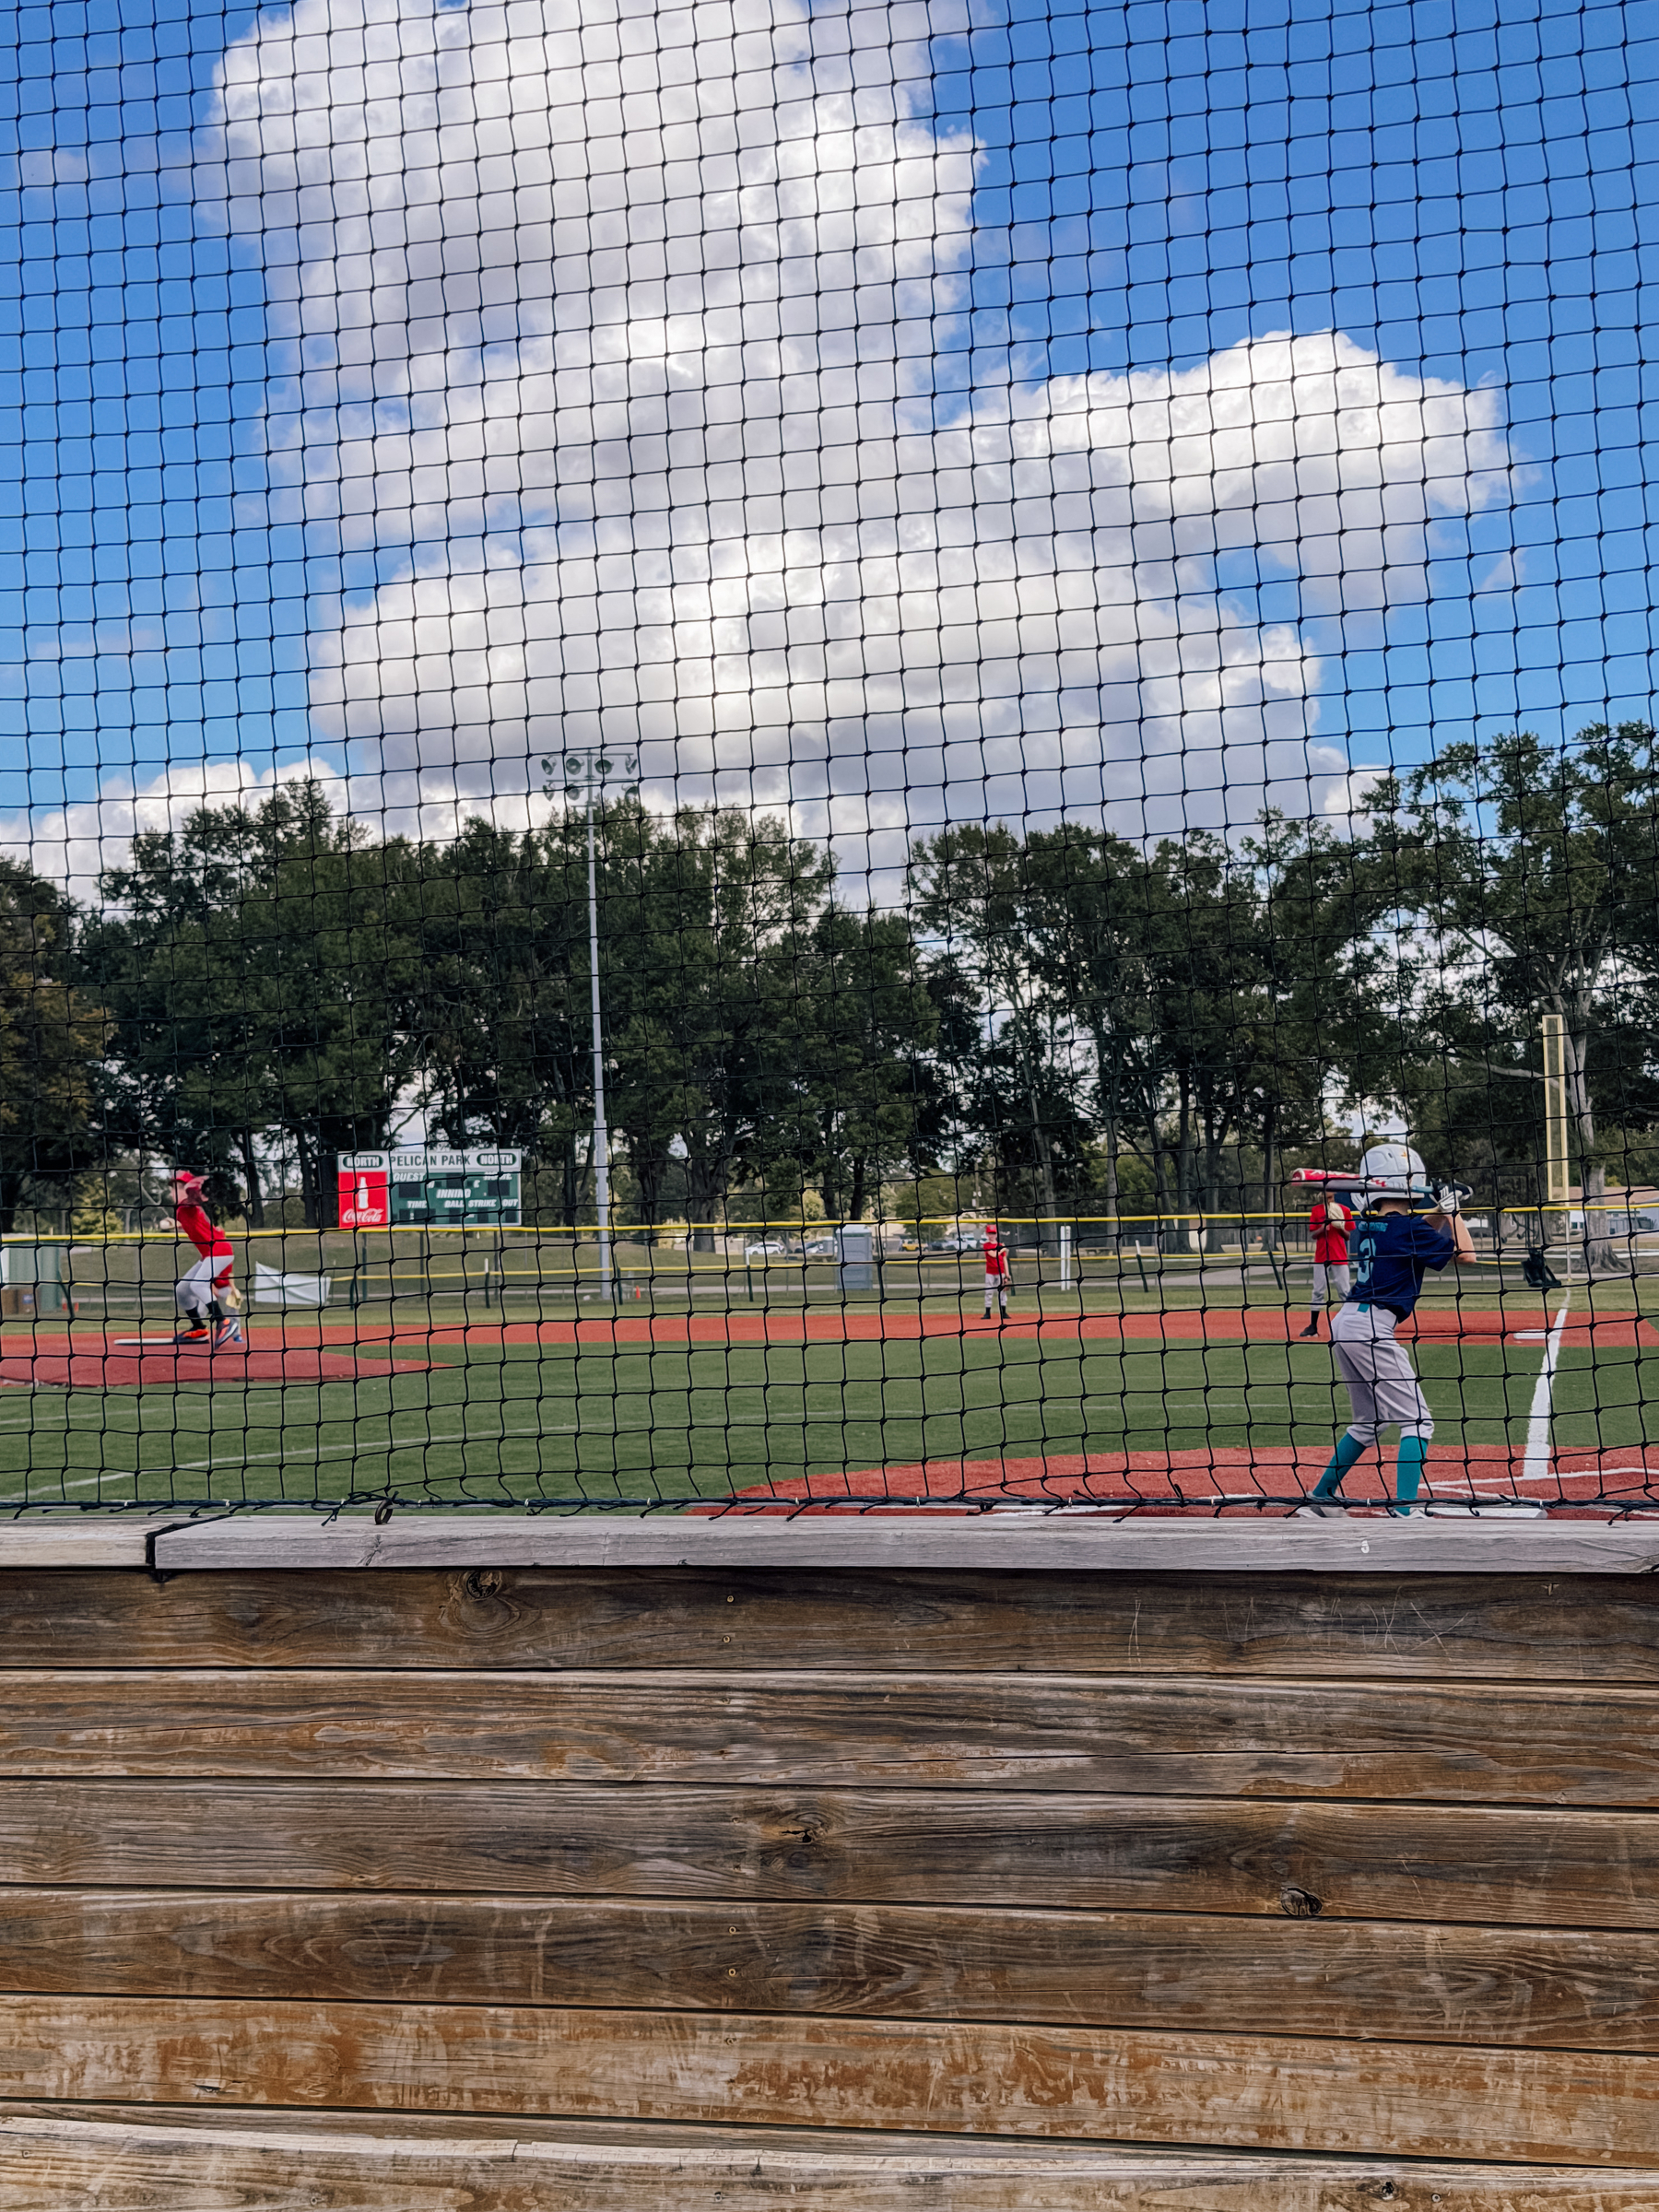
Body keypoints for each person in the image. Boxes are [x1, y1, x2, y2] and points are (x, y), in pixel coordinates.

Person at [1300, 1144, 1474, 1518]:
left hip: (1345, 1322)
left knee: (1370, 1421)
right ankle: (1406, 1510)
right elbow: (1466, 1254)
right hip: (1372, 1327)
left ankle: (1321, 1498)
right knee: (1418, 1421)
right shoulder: (1409, 1229)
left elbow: (1412, 1236)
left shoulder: (1367, 1225)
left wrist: (1440, 1214)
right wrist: (1454, 1211)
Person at [172, 1171, 243, 1349]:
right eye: (172, 1189)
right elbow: (192, 1221)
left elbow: (192, 1202)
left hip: (219, 1250)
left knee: (198, 1284)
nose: (172, 1193)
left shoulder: (188, 1203)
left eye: (177, 1188)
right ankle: (199, 1328)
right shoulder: (183, 1209)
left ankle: (223, 1322)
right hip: (209, 1254)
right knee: (182, 1289)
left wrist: (193, 1191)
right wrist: (174, 1224)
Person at [1299, 1191, 1355, 1337]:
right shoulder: (1316, 1210)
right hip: (1322, 1256)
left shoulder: (1344, 1210)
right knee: (1318, 1291)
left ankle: (1351, 1325)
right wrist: (1324, 1227)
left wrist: (1339, 1226)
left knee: (1344, 1290)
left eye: (1328, 1194)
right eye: (1324, 1194)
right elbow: (1313, 1234)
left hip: (1339, 1255)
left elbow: (1348, 1236)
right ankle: (1313, 1326)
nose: (1326, 1197)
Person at [982, 1223, 1013, 1322]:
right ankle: (987, 1313)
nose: (992, 1236)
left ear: (996, 1234)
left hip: (1001, 1272)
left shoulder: (1000, 1245)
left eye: (993, 1233)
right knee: (989, 1292)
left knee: (1002, 1292)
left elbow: (1004, 1260)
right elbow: (993, 1255)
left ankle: (1003, 1312)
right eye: (990, 1233)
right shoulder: (986, 1245)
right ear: (987, 1234)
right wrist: (1002, 1248)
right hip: (990, 1272)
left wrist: (1007, 1275)